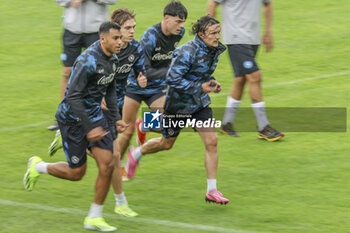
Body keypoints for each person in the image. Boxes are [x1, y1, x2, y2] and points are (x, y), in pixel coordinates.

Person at [24, 21, 123, 232]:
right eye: (116, 38)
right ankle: (37, 166)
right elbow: (72, 97)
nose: (120, 42)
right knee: (76, 173)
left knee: (108, 163)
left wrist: (115, 118)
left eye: (121, 38)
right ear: (102, 38)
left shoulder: (113, 60)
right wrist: (89, 128)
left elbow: (111, 88)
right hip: (72, 119)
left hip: (95, 116)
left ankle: (94, 218)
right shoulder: (87, 60)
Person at [47, 8, 146, 217]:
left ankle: (99, 213)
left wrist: (140, 78)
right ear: (107, 37)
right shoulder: (90, 59)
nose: (129, 35)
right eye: (124, 30)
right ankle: (120, 203)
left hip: (108, 108)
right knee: (98, 163)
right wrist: (92, 122)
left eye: (132, 29)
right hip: (84, 114)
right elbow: (73, 96)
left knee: (110, 158)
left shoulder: (125, 52)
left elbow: (118, 82)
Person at [126, 15, 229, 205]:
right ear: (201, 34)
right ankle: (136, 152)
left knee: (212, 141)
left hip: (199, 104)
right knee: (166, 144)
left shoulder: (213, 49)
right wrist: (200, 87)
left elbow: (201, 72)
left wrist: (211, 82)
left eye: (218, 32)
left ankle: (212, 190)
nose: (217, 36)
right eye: (213, 33)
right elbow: (173, 79)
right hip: (178, 105)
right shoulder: (186, 52)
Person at [117, 0, 187, 170]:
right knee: (126, 132)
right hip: (135, 86)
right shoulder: (151, 37)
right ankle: (117, 168)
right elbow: (144, 69)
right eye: (178, 22)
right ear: (166, 18)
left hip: (156, 88)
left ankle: (144, 125)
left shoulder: (179, 33)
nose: (181, 26)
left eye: (183, 22)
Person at [207, 0, 284, 141]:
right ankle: (263, 127)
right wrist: (210, 33)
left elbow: (268, 4)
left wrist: (268, 32)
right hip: (236, 38)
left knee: (241, 79)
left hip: (253, 39)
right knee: (255, 76)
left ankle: (226, 124)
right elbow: (212, 3)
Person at [48, 0, 117, 131]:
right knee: (67, 72)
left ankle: (100, 115)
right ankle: (64, 117)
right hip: (71, 30)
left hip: (96, 30)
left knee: (100, 72)